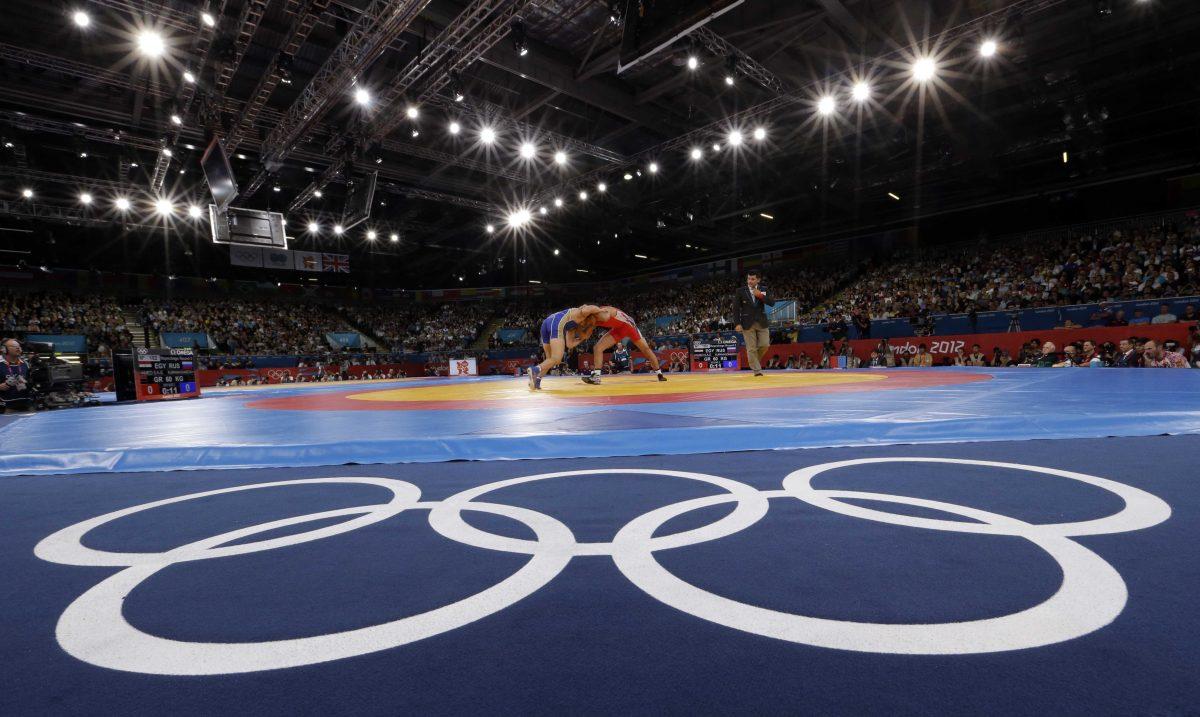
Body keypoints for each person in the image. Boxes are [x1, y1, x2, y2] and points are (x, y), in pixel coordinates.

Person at [582, 306, 666, 384]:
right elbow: (587, 333)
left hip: (629, 327)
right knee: (597, 348)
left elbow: (605, 316)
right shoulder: (592, 318)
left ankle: (659, 374)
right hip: (620, 328)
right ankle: (596, 377)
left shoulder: (603, 312)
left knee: (646, 350)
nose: (588, 323)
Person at [529, 305, 602, 390]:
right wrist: (601, 310)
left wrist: (581, 339)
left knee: (549, 360)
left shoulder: (572, 326)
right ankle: (534, 369)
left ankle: (537, 382)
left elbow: (569, 344)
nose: (583, 325)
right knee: (557, 359)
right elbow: (587, 308)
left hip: (546, 323)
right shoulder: (582, 313)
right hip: (556, 322)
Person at [733, 271, 774, 376]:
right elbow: (736, 308)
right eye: (748, 279)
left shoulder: (763, 289)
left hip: (762, 322)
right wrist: (737, 323)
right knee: (751, 348)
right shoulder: (740, 291)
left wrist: (760, 295)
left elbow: (771, 303)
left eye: (752, 279)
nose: (750, 281)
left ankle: (754, 361)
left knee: (765, 345)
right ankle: (757, 371)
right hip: (747, 323)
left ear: (758, 280)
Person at [0, 338, 32, 412]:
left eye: (19, 346)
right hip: (6, 407)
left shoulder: (26, 364)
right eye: (14, 346)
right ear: (4, 349)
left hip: (27, 404)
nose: (18, 348)